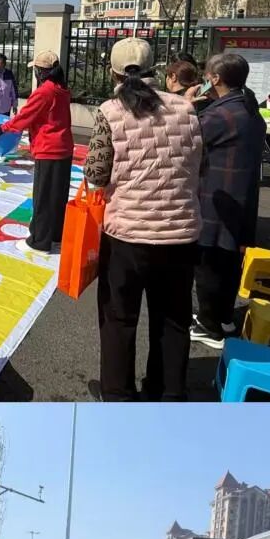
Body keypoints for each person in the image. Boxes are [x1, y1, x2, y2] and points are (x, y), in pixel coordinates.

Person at [82, 37, 203, 402]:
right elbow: (199, 163)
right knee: (173, 319)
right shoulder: (186, 109)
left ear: (113, 72)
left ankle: (118, 393)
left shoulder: (110, 111)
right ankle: (167, 393)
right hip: (181, 234)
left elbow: (96, 174)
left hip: (127, 236)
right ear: (157, 70)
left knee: (119, 318)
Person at [191, 52, 266, 350]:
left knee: (208, 261)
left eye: (207, 74)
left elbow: (188, 138)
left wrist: (187, 106)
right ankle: (223, 317)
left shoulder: (221, 115)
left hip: (216, 196)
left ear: (215, 78)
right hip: (239, 196)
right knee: (229, 259)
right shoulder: (248, 107)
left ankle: (209, 325)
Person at [0, 49, 74, 255]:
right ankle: (55, 236)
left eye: (35, 69)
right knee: (57, 196)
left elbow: (26, 115)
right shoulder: (62, 89)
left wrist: (2, 128)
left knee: (43, 197)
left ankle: (39, 241)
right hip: (64, 148)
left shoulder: (45, 91)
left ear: (41, 71)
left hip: (49, 149)